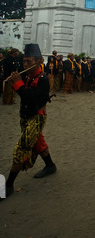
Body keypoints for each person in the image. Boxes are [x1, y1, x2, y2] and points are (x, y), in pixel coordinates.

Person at [1, 43, 56, 199]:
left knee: (22, 147)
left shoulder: (43, 79)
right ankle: (50, 166)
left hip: (36, 117)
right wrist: (14, 82)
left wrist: (17, 83)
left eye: (29, 61)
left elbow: (31, 99)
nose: (25, 65)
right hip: (25, 116)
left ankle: (9, 185)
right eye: (24, 61)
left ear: (38, 61)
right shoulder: (26, 75)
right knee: (38, 142)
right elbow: (23, 93)